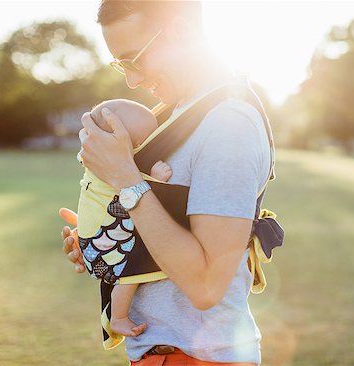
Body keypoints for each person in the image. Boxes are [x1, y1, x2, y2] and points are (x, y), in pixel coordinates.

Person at [61, 1, 271, 365]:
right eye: (121, 65)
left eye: (134, 59)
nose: (133, 80)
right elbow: (158, 222)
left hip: (201, 357)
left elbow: (206, 285)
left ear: (178, 31)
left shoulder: (228, 125)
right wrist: (109, 237)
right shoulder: (177, 114)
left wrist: (126, 179)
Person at [75, 99, 173, 338]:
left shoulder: (93, 159)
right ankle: (117, 317)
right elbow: (135, 188)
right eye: (141, 143)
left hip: (94, 234)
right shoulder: (106, 165)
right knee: (131, 271)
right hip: (101, 241)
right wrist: (156, 178)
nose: (147, 147)